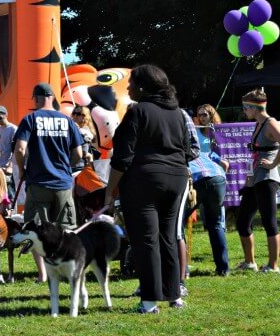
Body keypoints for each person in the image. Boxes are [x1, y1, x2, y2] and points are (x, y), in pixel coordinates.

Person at [105, 65, 194, 313]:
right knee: (168, 237)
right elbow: (188, 150)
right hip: (176, 178)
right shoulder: (177, 113)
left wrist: (110, 190)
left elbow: (122, 157)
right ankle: (174, 294)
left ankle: (149, 301)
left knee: (146, 239)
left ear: (143, 86)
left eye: (131, 83)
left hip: (144, 180)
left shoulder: (137, 112)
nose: (128, 87)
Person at [14, 83, 84, 282]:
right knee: (65, 230)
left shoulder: (30, 119)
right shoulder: (67, 121)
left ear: (36, 98)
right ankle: (66, 271)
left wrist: (22, 170)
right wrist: (64, 168)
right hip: (63, 184)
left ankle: (43, 274)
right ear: (52, 98)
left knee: (36, 229)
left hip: (38, 183)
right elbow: (78, 153)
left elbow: (20, 149)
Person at [234, 88, 280, 273]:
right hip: (255, 179)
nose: (244, 111)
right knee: (243, 221)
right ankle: (250, 262)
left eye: (245, 108)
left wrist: (272, 164)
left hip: (268, 179)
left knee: (270, 222)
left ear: (253, 107)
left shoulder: (271, 123)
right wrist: (249, 177)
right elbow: (256, 152)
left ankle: (273, 266)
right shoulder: (258, 124)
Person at [190, 104, 230, 276]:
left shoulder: (191, 146)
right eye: (199, 115)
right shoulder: (207, 148)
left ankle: (181, 270)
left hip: (199, 180)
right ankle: (223, 268)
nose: (201, 118)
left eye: (204, 115)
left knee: (177, 224)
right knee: (216, 225)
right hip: (217, 179)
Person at [0, 105, 18, 192]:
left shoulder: (13, 129)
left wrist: (10, 167)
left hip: (5, 168)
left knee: (9, 195)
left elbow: (16, 150)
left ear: (6, 115)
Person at [70, 106, 96, 170]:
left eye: (78, 114)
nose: (75, 116)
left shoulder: (84, 132)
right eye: (73, 113)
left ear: (85, 116)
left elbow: (84, 153)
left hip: (77, 168)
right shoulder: (75, 128)